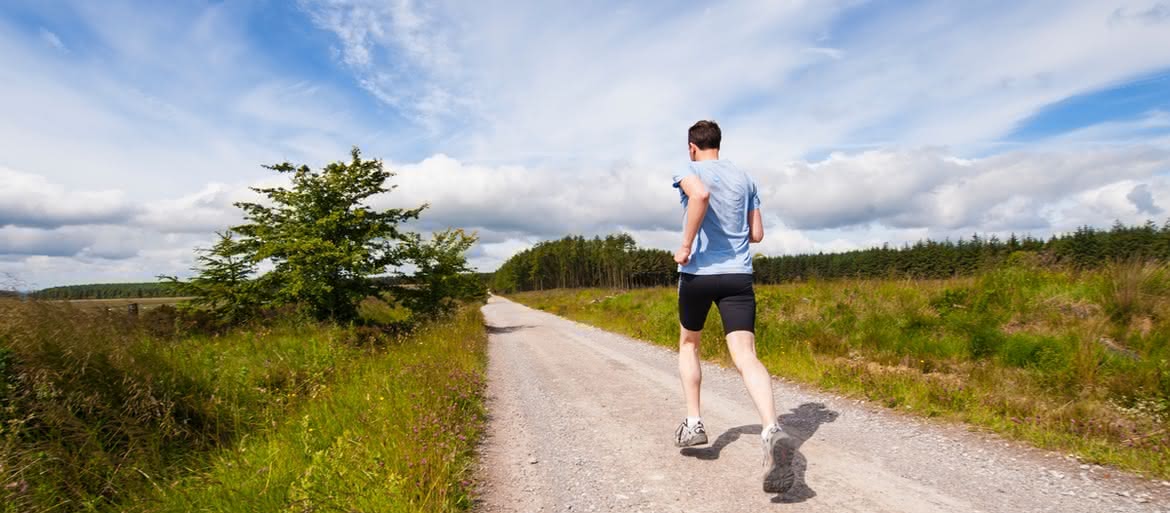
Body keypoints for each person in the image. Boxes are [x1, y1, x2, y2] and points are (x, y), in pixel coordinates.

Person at [670, 120, 792, 493]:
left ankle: (694, 423)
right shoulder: (745, 178)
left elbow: (700, 196)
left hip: (698, 274)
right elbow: (756, 234)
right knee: (745, 355)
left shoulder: (688, 170)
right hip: (738, 276)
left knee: (690, 343)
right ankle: (771, 428)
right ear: (718, 144)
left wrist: (687, 245)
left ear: (692, 147)